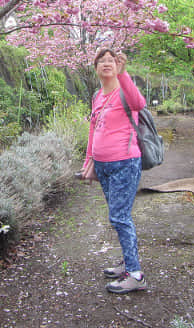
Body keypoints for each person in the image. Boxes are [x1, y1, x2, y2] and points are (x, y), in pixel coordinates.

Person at [81, 47, 147, 294]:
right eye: (101, 61)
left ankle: (136, 274)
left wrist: (125, 74)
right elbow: (93, 130)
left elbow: (139, 103)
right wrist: (89, 160)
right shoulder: (98, 95)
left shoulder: (125, 91)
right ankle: (128, 263)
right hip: (103, 165)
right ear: (96, 68)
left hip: (125, 163)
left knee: (119, 217)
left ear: (118, 66)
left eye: (111, 60)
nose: (106, 63)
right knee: (118, 217)